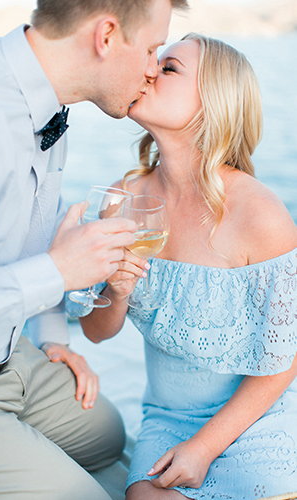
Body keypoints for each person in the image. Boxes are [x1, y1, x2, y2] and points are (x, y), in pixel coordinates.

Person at [0, 0, 189, 499]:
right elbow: (52, 262)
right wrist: (59, 270)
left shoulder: (48, 108)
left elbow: (40, 227)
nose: (154, 69)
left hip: (7, 358)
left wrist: (54, 341)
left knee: (109, 437)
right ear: (106, 36)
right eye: (153, 49)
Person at [79, 33, 297, 499]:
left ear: (212, 101)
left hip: (258, 413)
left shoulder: (260, 215)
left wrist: (204, 447)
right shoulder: (122, 200)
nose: (149, 70)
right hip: (168, 418)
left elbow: (284, 360)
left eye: (170, 67)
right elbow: (97, 332)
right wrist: (116, 294)